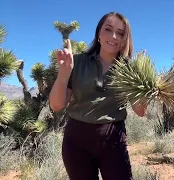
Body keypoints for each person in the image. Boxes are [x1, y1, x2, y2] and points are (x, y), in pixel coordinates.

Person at [49, 12, 147, 180]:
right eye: (108, 29)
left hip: (113, 139)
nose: (114, 36)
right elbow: (56, 105)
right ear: (99, 34)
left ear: (125, 39)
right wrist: (64, 74)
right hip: (76, 141)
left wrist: (142, 80)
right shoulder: (77, 62)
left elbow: (140, 111)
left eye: (121, 33)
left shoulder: (129, 69)